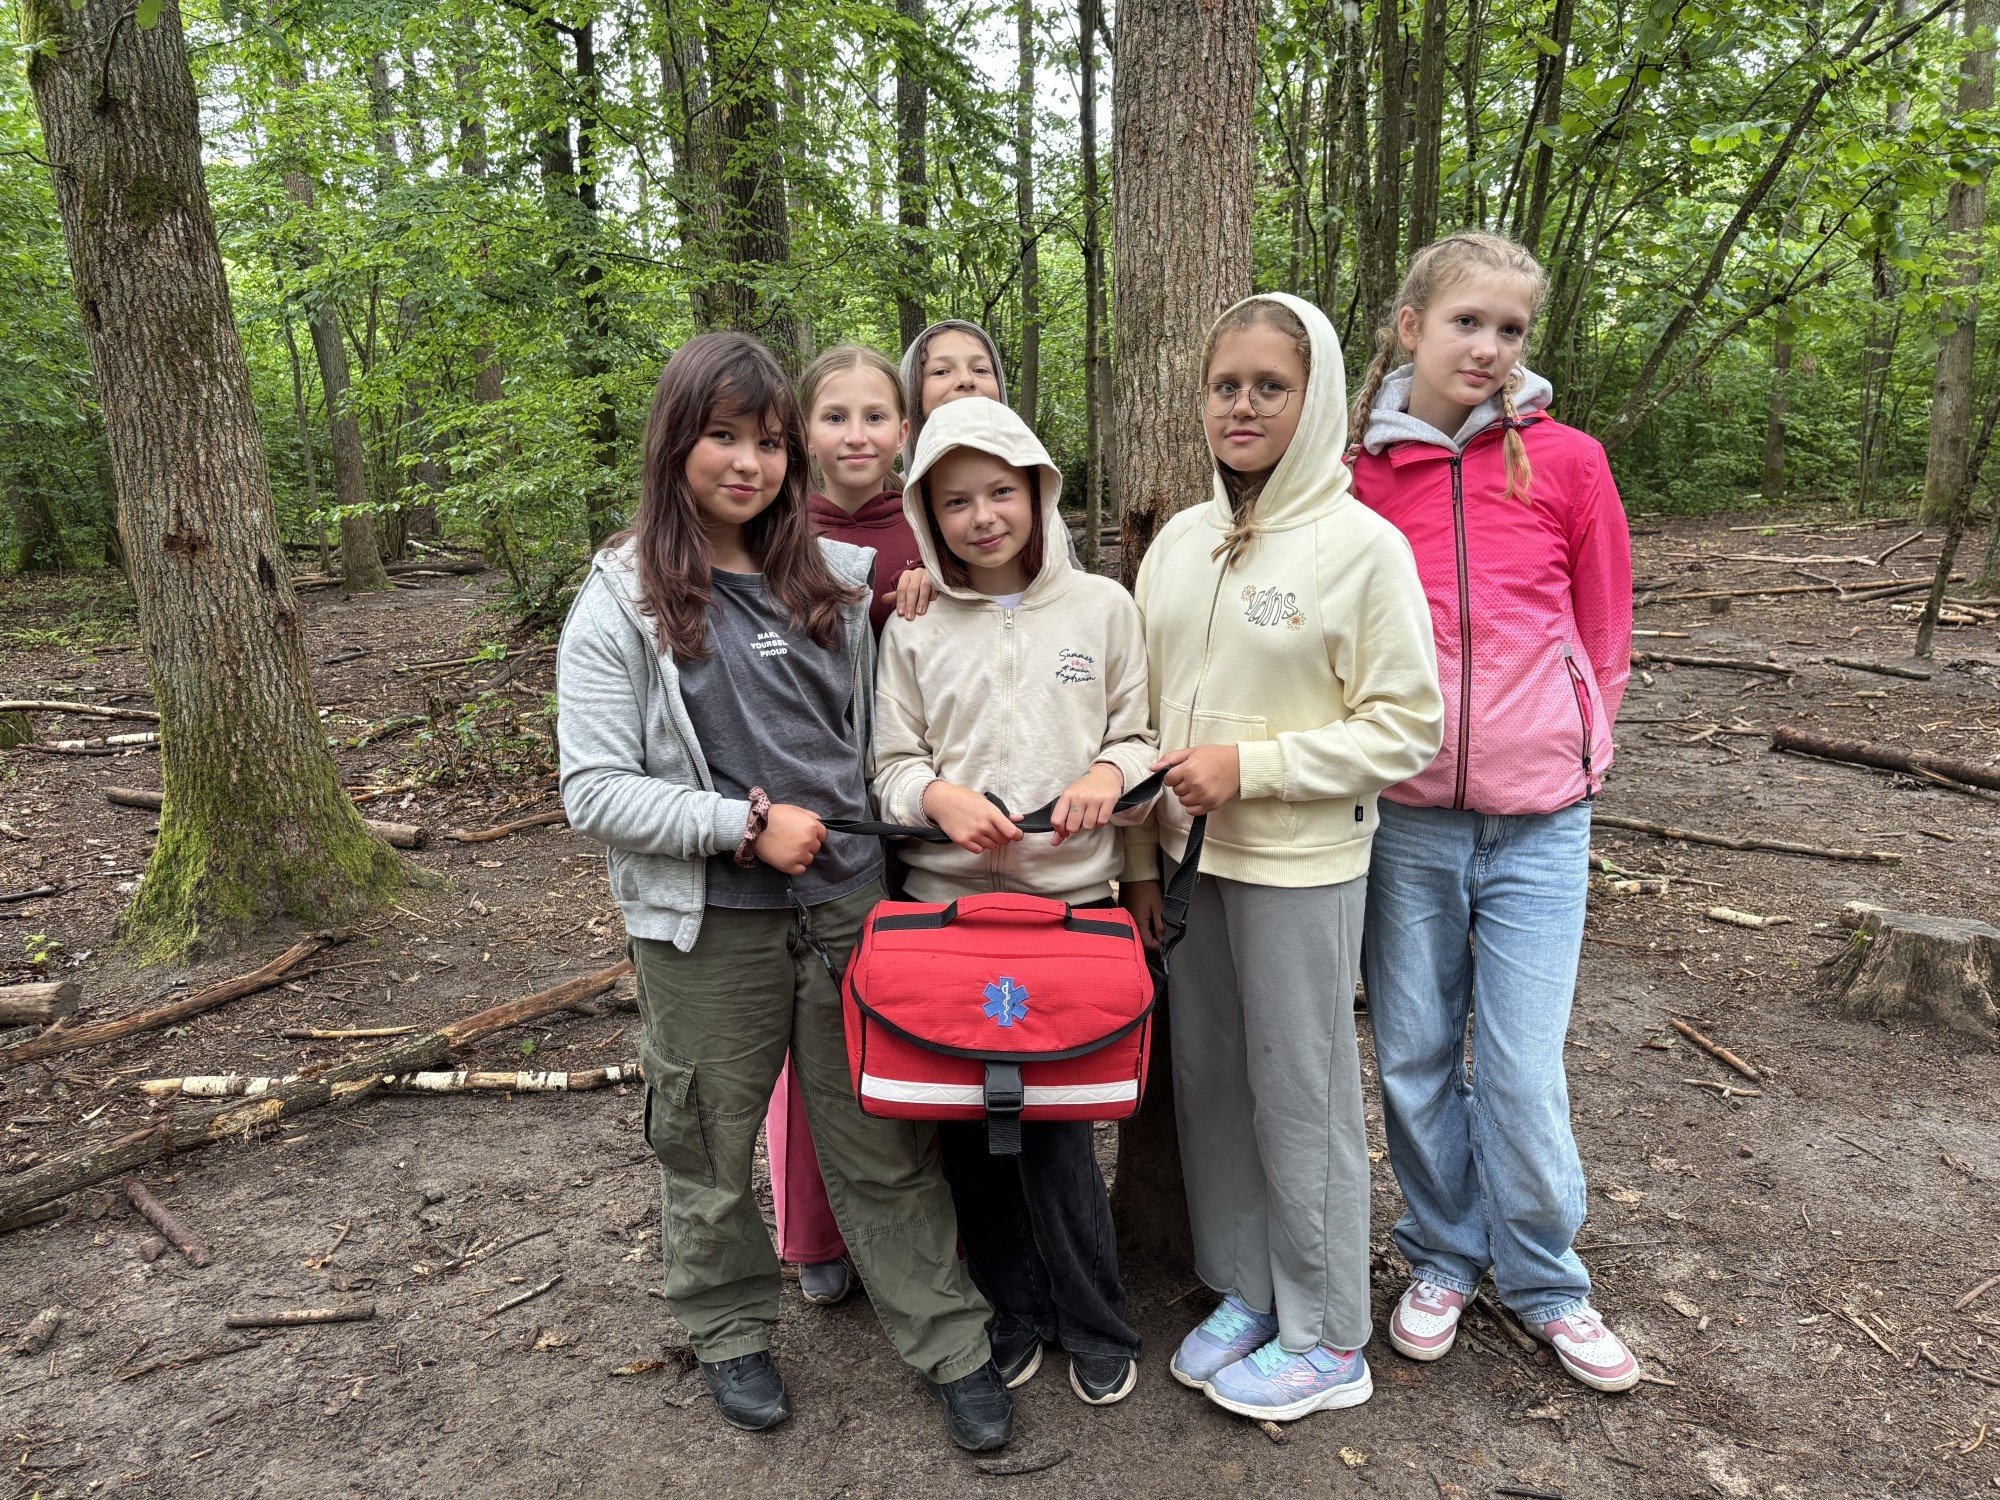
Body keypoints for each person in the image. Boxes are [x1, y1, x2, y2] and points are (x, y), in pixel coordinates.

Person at [555, 331, 1013, 1450]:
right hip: (707, 926)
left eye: (767, 442)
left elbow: (884, 734)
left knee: (881, 1137)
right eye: (722, 437)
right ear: (676, 443)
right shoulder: (622, 600)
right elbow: (592, 788)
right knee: (707, 1143)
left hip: (850, 910)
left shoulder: (835, 584)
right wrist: (743, 829)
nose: (747, 463)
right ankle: (728, 1330)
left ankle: (949, 1341)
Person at [1121, 294, 1445, 1423]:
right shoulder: (1179, 543)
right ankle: (1249, 1290)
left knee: (1302, 1100)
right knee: (1212, 1087)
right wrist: (1139, 854)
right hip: (1187, 868)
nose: (1243, 407)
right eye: (1226, 386)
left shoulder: (1363, 548)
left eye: (1271, 386)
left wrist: (1251, 768)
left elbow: (1407, 727)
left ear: (1317, 403)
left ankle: (1329, 1333)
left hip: (1302, 868)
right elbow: (1139, 714)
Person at [1347, 230, 1639, 1393]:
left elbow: (1603, 625)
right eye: (1465, 321)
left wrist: (1582, 746)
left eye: (1508, 329)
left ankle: (1545, 1277)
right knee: (1413, 1056)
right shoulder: (1357, 476)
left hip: (1540, 821)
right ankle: (1441, 1252)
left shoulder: (1566, 460)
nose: (1486, 346)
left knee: (1519, 1069)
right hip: (1406, 816)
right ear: (1408, 326)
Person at [874, 395, 1157, 1407]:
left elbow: (1139, 736)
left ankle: (1095, 1318)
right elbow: (890, 764)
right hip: (948, 921)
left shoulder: (1103, 609)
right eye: (955, 501)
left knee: (1058, 1135)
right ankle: (1013, 1310)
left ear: (1039, 492)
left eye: (1001, 492)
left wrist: (1109, 776)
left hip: (1068, 918)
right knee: (966, 1133)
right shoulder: (914, 627)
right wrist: (935, 798)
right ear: (927, 513)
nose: (981, 517)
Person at [762, 344, 925, 1311]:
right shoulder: (774, 531)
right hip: (817, 820)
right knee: (814, 1028)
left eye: (875, 416)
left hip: (917, 815)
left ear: (904, 429)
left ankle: (918, 1224)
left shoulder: (936, 522)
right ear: (804, 433)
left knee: (909, 1017)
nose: (856, 435)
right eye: (835, 417)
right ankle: (813, 1231)